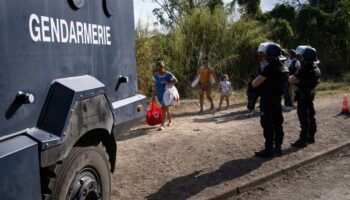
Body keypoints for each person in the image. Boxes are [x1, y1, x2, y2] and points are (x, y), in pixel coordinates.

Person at [252, 42, 286, 158]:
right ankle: (278, 147)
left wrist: (254, 79)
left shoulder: (270, 67)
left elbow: (255, 84)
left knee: (267, 124)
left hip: (268, 99)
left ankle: (269, 150)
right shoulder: (283, 66)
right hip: (277, 98)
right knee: (278, 123)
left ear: (269, 55)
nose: (262, 57)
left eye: (264, 54)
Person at [289, 45, 321, 147]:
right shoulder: (315, 67)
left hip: (303, 94)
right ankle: (311, 136)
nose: (300, 58)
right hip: (310, 93)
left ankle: (302, 139)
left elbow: (292, 79)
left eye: (302, 56)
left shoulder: (305, 68)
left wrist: (294, 78)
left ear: (306, 57)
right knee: (311, 115)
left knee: (303, 116)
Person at [153, 61, 178, 130]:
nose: (158, 70)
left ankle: (162, 125)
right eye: (157, 68)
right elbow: (155, 85)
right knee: (166, 109)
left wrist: (168, 82)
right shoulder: (156, 75)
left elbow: (175, 81)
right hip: (159, 94)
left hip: (166, 94)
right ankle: (170, 121)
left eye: (159, 68)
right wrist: (154, 94)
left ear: (162, 67)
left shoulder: (168, 74)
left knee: (163, 108)